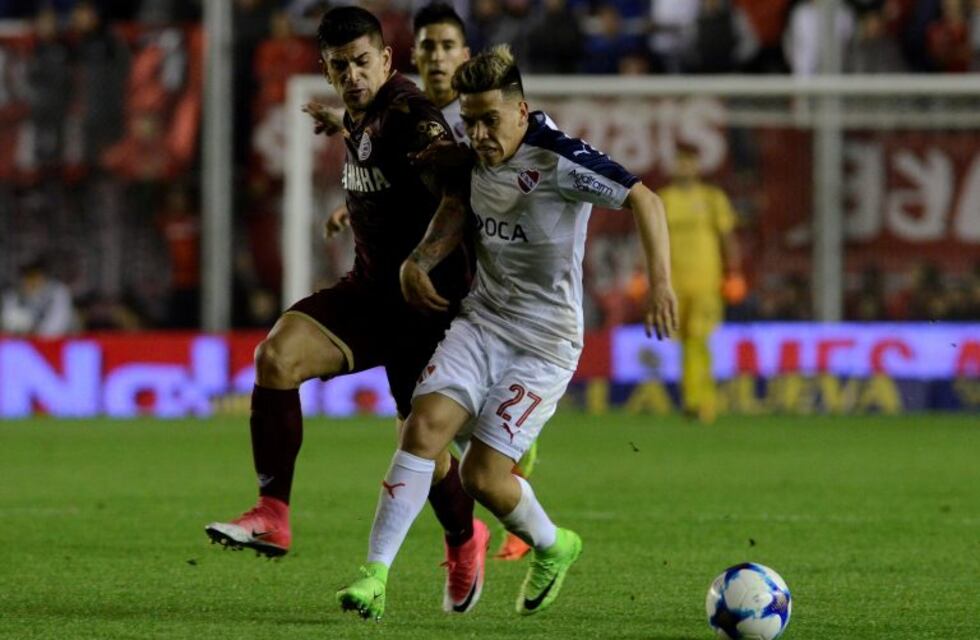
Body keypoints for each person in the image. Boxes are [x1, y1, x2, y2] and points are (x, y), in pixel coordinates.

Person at [336, 44, 678, 620]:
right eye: (469, 121)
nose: (478, 133)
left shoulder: (560, 160)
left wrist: (662, 284)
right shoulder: (472, 152)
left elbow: (646, 200)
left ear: (522, 111)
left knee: (481, 478)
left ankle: (554, 545)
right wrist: (418, 260)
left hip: (545, 344)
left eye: (490, 120)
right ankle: (374, 576)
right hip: (484, 320)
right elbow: (455, 206)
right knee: (422, 428)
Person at [204, 6, 488, 615]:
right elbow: (374, 139)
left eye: (364, 61)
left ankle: (467, 539)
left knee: (429, 456)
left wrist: (421, 261)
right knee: (276, 357)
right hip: (369, 293)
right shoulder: (362, 114)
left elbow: (458, 189)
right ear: (326, 70)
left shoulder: (412, 114)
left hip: (428, 309)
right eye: (341, 66)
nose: (354, 74)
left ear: (387, 59)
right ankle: (273, 514)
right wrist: (340, 122)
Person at [657, 144, 743, 423]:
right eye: (680, 162)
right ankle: (693, 398)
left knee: (699, 339)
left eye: (688, 162)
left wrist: (734, 273)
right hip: (674, 283)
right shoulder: (664, 199)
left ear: (697, 165)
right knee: (683, 342)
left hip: (707, 280)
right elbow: (652, 238)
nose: (684, 167)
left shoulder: (712, 198)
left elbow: (727, 237)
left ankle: (700, 401)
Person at [1, 259, 76, 337]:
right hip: (29, 341)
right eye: (28, 276)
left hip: (64, 341)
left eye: (36, 276)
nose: (32, 281)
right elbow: (8, 320)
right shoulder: (15, 293)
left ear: (44, 277)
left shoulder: (57, 291)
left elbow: (58, 324)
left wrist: (35, 335)